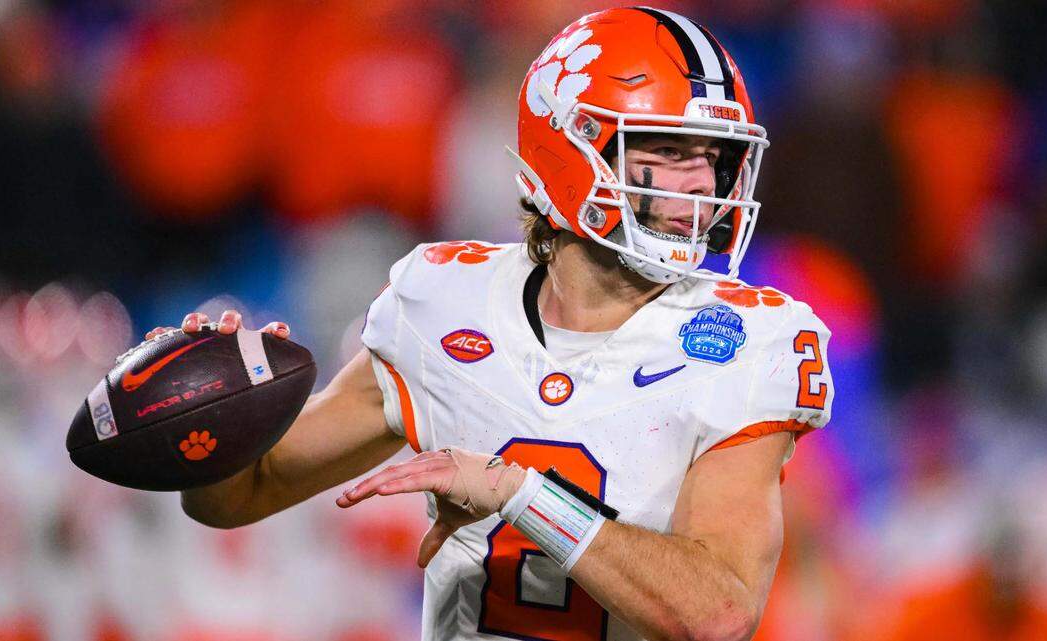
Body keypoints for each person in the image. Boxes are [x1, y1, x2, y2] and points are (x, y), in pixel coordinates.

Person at [148, 8, 834, 641]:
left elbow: (717, 612)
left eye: (712, 156)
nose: (700, 185)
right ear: (571, 147)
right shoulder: (444, 303)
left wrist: (519, 490)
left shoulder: (745, 342)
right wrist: (205, 426)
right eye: (668, 149)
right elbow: (243, 494)